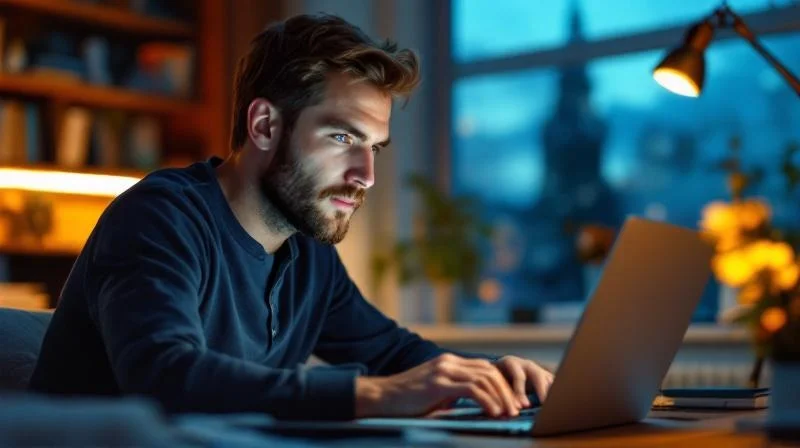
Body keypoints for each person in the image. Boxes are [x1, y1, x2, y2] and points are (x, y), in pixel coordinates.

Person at [29, 13, 553, 420]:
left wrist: (494, 375)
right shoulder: (161, 216)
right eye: (343, 137)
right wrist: (371, 395)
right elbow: (165, 377)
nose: (366, 174)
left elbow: (392, 352)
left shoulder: (307, 255)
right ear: (264, 125)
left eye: (375, 146)